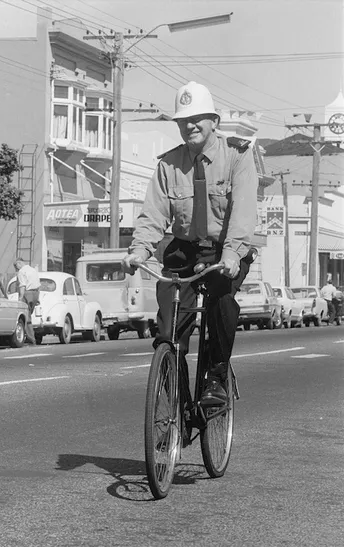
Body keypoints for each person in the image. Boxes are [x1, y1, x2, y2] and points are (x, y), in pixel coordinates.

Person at [122, 81, 258, 406]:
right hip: (183, 249)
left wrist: (232, 254)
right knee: (168, 332)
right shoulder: (169, 164)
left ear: (214, 122)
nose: (190, 125)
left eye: (198, 118)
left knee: (221, 305)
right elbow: (153, 214)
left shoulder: (237, 156)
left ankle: (216, 379)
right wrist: (138, 251)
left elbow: (243, 212)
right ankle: (176, 407)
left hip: (223, 248)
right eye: (184, 120)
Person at [13, 257, 41, 344]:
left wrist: (20, 299)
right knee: (29, 315)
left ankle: (30, 339)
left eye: (16, 266)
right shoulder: (33, 270)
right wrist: (38, 298)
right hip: (36, 293)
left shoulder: (21, 272)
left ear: (19, 263)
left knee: (26, 317)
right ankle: (29, 336)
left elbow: (22, 286)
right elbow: (38, 285)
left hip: (27, 294)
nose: (16, 269)